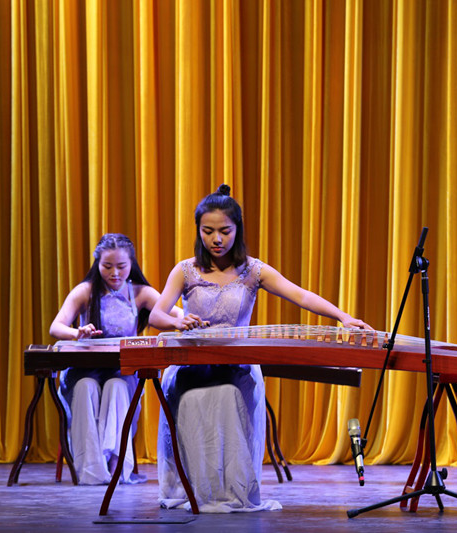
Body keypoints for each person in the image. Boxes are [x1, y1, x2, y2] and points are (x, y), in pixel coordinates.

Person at [149, 185, 372, 512]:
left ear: (237, 229)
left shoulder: (253, 270)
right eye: (208, 231)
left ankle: (230, 490)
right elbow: (156, 314)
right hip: (191, 366)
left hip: (236, 366)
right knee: (192, 398)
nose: (216, 239)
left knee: (228, 396)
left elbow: (300, 295)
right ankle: (194, 490)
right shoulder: (185, 270)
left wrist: (343, 317)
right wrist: (177, 322)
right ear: (198, 230)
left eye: (225, 231)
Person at [49, 233, 182, 485]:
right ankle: (91, 471)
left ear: (131, 264)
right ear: (97, 264)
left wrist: (187, 320)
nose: (115, 273)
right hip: (84, 370)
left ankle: (116, 467)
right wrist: (77, 333)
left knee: (117, 387)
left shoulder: (140, 293)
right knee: (85, 387)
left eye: (121, 266)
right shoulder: (85, 291)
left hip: (123, 371)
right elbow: (56, 327)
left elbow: (176, 313)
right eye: (107, 266)